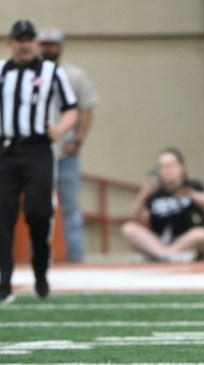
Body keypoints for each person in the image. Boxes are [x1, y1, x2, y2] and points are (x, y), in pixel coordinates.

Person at [0, 19, 78, 304]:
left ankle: (40, 271)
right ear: (10, 43)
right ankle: (3, 282)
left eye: (29, 39)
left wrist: (61, 129)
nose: (24, 44)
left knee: (39, 211)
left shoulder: (50, 71)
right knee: (2, 217)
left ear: (35, 42)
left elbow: (71, 108)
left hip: (38, 151)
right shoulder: (1, 71)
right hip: (6, 151)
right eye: (19, 39)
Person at [39, 27, 99, 263]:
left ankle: (76, 256)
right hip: (39, 153)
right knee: (39, 208)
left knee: (71, 206)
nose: (49, 49)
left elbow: (85, 109)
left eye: (53, 44)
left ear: (61, 46)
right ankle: (40, 257)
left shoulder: (74, 76)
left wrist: (77, 140)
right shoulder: (31, 75)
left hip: (65, 151)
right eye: (45, 44)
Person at [121, 147, 204, 263]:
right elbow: (136, 217)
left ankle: (161, 255)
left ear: (181, 167)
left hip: (187, 241)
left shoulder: (192, 186)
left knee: (202, 234)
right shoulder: (154, 192)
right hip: (161, 240)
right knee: (129, 229)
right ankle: (168, 255)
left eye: (170, 165)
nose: (166, 170)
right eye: (162, 167)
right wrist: (143, 195)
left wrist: (191, 195)